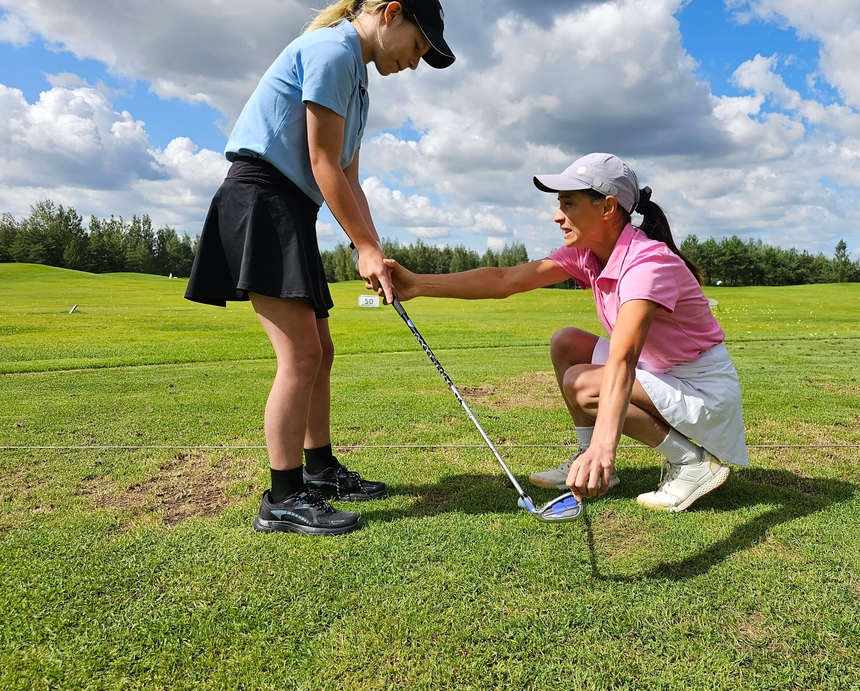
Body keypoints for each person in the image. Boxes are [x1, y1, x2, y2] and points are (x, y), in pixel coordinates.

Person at [184, 0, 455, 535]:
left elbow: (349, 177)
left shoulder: (357, 78)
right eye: (418, 46)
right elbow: (321, 162)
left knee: (320, 352)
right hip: (263, 199)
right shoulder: (332, 51)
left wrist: (372, 248)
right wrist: (362, 247)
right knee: (301, 356)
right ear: (391, 13)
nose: (415, 62)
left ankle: (321, 470)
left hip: (291, 208)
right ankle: (282, 498)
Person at [385, 154, 749, 511]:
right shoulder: (587, 253)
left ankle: (691, 462)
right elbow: (505, 279)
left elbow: (623, 359)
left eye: (568, 203)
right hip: (661, 373)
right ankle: (584, 455)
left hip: (701, 389)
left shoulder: (646, 263)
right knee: (567, 342)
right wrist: (418, 285)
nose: (557, 216)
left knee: (583, 382)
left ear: (607, 208)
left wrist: (605, 449)